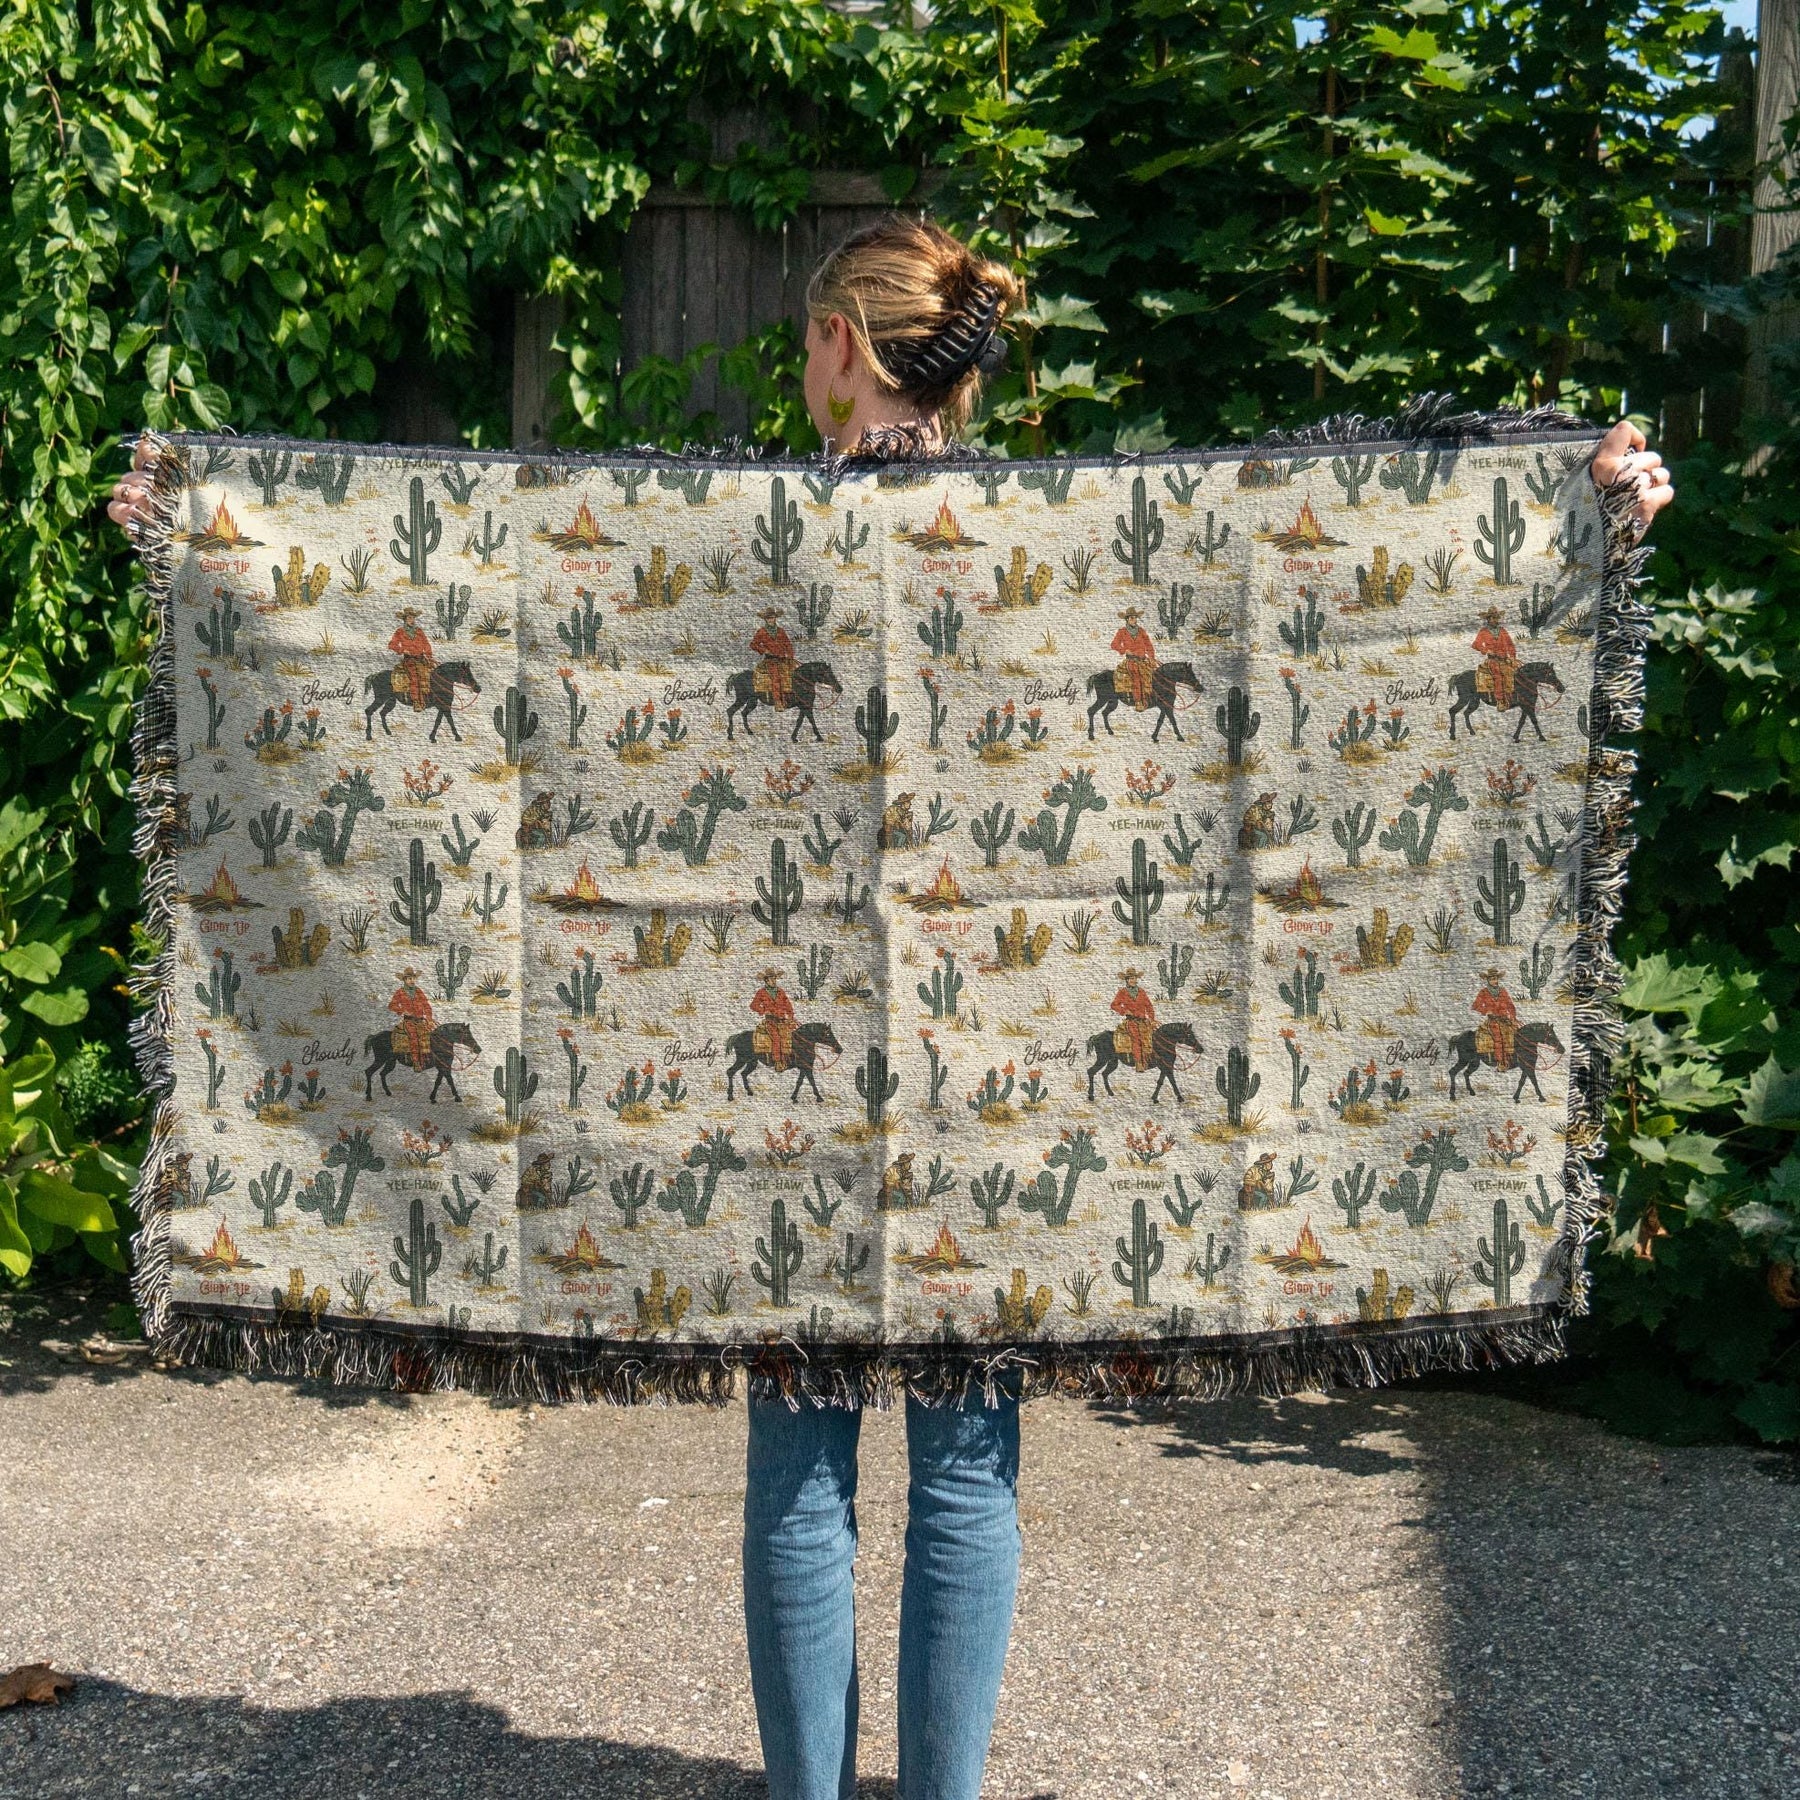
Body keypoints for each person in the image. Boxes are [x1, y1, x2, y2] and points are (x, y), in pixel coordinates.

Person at [105, 212, 1676, 1800]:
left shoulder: (749, 536)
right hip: (987, 1088)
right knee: (968, 1470)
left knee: (799, 1460)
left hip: (784, 1115)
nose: (800, 372)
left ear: (846, 348)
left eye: (805, 343)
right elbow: (1311, 585)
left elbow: (487, 599)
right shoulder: (1061, 539)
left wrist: (206, 538)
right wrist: (1579, 513)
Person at [750, 965, 798, 1071]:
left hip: (782, 1021)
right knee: (776, 1038)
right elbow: (753, 1005)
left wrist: (790, 1016)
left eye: (775, 978)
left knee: (792, 1036)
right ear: (766, 981)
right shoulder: (761, 992)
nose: (774, 981)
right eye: (771, 979)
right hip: (770, 1022)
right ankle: (778, 1062)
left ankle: (791, 1059)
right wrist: (763, 1010)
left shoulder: (780, 991)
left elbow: (788, 1005)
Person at [1110, 965, 1158, 1070]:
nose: (1133, 980)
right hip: (1131, 1022)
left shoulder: (1141, 991)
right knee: (1137, 1039)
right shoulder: (1122, 992)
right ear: (1127, 980)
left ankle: (1149, 1060)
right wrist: (1123, 1011)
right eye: (1131, 978)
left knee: (1150, 1038)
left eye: (1135, 978)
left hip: (1143, 1021)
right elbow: (1114, 1005)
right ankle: (1139, 1063)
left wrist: (1152, 1020)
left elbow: (1149, 1006)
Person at [1473, 964, 1519, 1070]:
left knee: (1516, 1033)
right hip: (1493, 1021)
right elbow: (1475, 1005)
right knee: (1498, 1037)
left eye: (1496, 979)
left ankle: (1514, 1058)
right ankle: (1501, 1062)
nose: (1495, 981)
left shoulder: (1503, 991)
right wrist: (1485, 1011)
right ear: (1488, 980)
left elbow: (1510, 1005)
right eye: (1493, 979)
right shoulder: (1483, 992)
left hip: (1505, 1019)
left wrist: (1513, 1017)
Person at [751, 604, 797, 710]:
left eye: (772, 617)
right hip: (770, 661)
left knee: (793, 675)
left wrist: (790, 656)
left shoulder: (781, 631)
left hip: (783, 659)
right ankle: (778, 702)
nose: (771, 620)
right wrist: (764, 650)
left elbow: (788, 644)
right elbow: (753, 644)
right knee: (776, 677)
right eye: (768, 618)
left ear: (775, 618)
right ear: (765, 619)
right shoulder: (761, 631)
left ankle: (789, 699)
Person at [1111, 605, 1158, 708]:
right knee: (1136, 676)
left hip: (1143, 660)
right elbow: (1114, 644)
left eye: (1135, 617)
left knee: (1154, 674)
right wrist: (1124, 650)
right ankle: (1138, 702)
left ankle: (1151, 698)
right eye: (1131, 618)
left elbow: (1149, 645)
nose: (1134, 620)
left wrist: (1152, 658)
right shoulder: (1122, 632)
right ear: (1127, 619)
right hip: (1131, 662)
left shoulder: (1141, 631)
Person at [1473, 603, 1518, 709]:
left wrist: (1512, 657)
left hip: (1505, 659)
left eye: (1497, 618)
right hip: (1493, 661)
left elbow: (1510, 645)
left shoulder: (1502, 631)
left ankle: (1514, 696)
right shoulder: (1483, 632)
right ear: (1488, 619)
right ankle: (1500, 701)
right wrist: (1486, 650)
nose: (1495, 620)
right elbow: (1476, 644)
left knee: (1518, 672)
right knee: (1498, 676)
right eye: (1493, 618)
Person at [389, 966, 434, 1070]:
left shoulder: (418, 991)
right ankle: (416, 1062)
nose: (412, 980)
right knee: (414, 1038)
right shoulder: (400, 992)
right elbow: (392, 1005)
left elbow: (426, 1005)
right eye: (409, 979)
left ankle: (425, 1059)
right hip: (409, 1021)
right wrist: (401, 1010)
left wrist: (430, 1019)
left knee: (428, 1037)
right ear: (404, 980)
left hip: (420, 1021)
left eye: (413, 978)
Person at [390, 605, 435, 710]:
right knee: (415, 677)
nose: (412, 620)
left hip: (421, 658)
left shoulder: (419, 631)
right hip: (409, 660)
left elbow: (426, 644)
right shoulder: (400, 631)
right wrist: (402, 650)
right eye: (409, 618)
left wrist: (429, 657)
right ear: (405, 619)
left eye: (413, 618)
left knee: (433, 673)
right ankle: (416, 702)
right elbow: (392, 644)